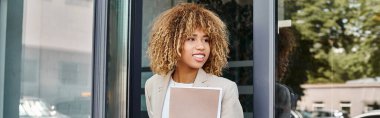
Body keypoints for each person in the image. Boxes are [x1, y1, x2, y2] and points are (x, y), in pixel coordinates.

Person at [144, 3, 244, 118]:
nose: (201, 46)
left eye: (206, 40)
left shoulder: (225, 89)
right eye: (191, 39)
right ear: (172, 43)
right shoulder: (153, 84)